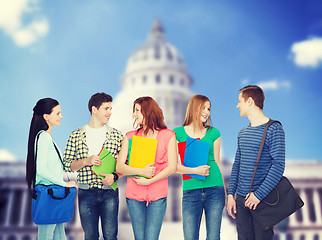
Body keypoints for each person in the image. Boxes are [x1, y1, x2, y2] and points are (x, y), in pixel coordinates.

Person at [227, 85, 285, 240]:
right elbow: (237, 165)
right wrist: (231, 194)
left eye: (240, 101)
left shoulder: (274, 129)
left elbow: (278, 166)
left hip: (262, 200)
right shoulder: (242, 133)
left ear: (250, 101)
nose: (237, 105)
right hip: (241, 201)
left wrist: (258, 195)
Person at [63, 93, 123, 240]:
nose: (110, 112)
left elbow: (125, 164)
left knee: (110, 236)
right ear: (94, 109)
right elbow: (67, 165)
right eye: (106, 108)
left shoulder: (117, 135)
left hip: (109, 192)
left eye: (110, 108)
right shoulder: (76, 135)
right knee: (90, 236)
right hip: (86, 193)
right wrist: (86, 161)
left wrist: (114, 176)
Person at [116, 96, 177, 240]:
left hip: (158, 194)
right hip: (134, 194)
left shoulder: (168, 135)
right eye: (134, 110)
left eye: (137, 110)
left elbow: (172, 167)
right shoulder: (130, 137)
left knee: (151, 237)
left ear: (148, 111)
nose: (134, 114)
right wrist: (141, 172)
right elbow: (119, 167)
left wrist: (150, 180)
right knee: (139, 237)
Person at [173, 94, 226, 240]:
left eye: (208, 108)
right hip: (191, 191)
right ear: (194, 108)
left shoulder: (214, 132)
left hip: (215, 189)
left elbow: (217, 162)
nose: (207, 112)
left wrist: (225, 193)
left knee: (214, 237)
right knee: (190, 237)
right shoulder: (177, 133)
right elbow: (172, 166)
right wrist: (194, 171)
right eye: (203, 108)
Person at [26, 98, 77, 239]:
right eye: (58, 113)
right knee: (46, 236)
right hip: (50, 194)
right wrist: (65, 184)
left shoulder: (45, 138)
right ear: (46, 117)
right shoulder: (44, 138)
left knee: (60, 236)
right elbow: (41, 170)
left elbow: (55, 169)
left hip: (53, 195)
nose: (61, 116)